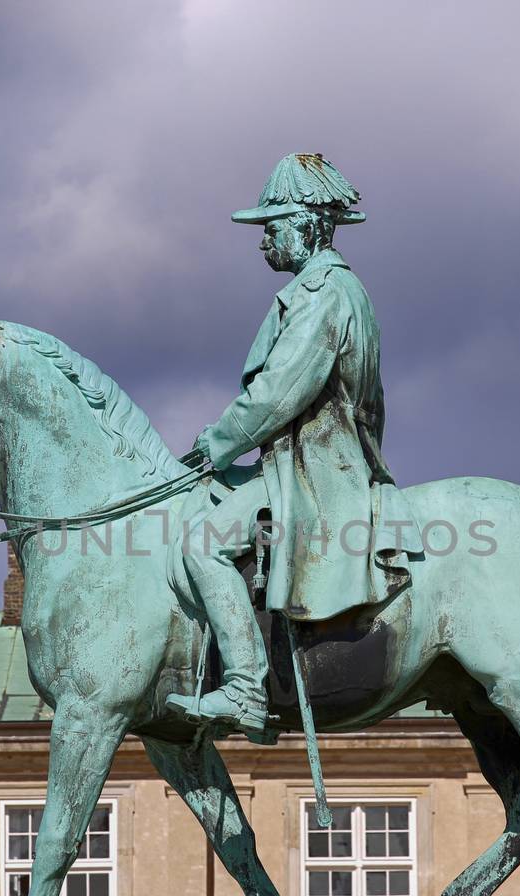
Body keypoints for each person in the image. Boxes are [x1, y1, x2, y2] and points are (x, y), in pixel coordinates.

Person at [168, 154, 413, 734]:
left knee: (204, 544)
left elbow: (280, 392)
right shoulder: (329, 290)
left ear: (308, 227)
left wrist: (214, 446)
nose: (263, 242)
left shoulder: (324, 293)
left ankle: (245, 688)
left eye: (272, 227)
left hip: (316, 469)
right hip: (301, 459)